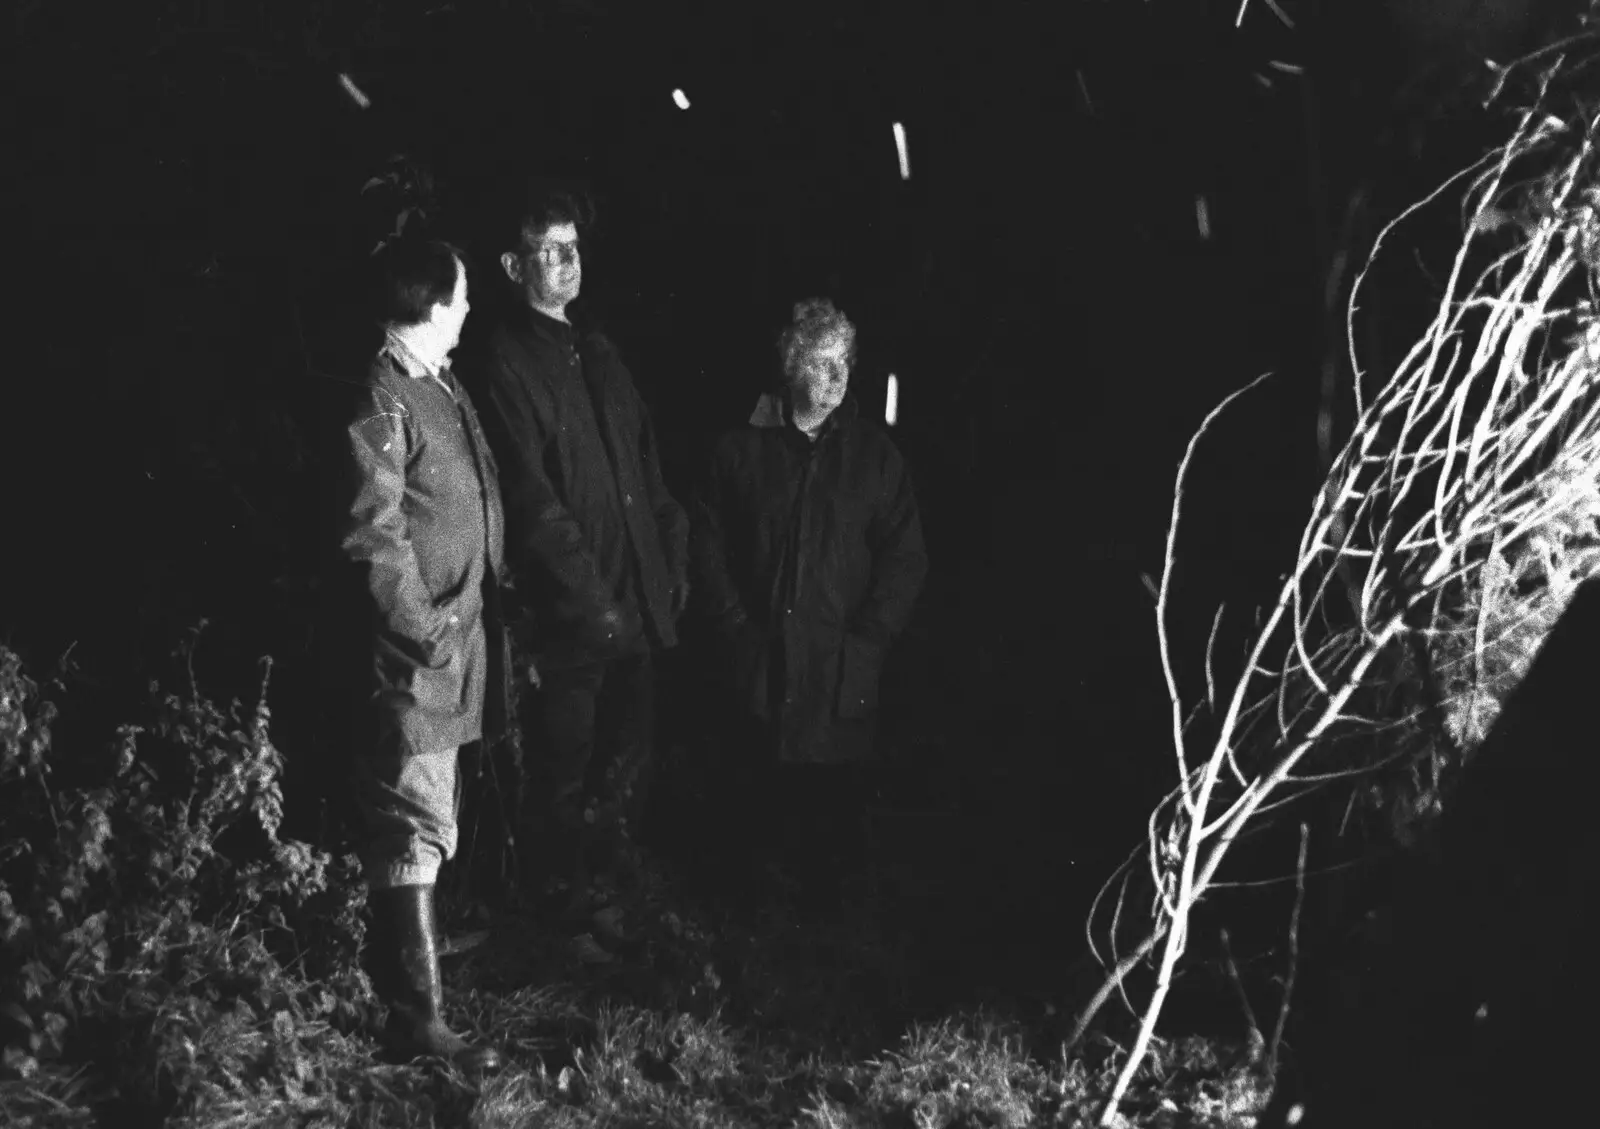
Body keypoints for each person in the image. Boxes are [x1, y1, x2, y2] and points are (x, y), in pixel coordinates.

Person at [459, 188, 689, 925]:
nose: (567, 263)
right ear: (511, 264)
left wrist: (669, 560)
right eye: (549, 251)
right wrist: (595, 602)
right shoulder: (506, 362)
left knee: (629, 764)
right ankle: (555, 921)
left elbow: (648, 468)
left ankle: (613, 900)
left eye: (574, 248)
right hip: (573, 620)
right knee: (564, 767)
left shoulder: (598, 348)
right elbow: (531, 500)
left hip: (637, 604)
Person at [320, 237, 505, 1070]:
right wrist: (425, 628)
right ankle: (416, 1019)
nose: (467, 308)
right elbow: (372, 531)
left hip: (457, 645)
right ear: (430, 304)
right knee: (412, 818)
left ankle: (422, 989)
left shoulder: (438, 383)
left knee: (438, 815)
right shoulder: (380, 394)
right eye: (460, 296)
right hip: (416, 653)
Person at [690, 297, 928, 915]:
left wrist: (868, 641)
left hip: (837, 671)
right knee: (754, 805)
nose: (838, 378)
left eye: (845, 363)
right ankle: (747, 922)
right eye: (823, 364)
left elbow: (906, 558)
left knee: (832, 811)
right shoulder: (741, 450)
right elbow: (706, 547)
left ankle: (824, 931)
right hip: (758, 666)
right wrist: (736, 631)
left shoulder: (874, 458)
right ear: (791, 366)